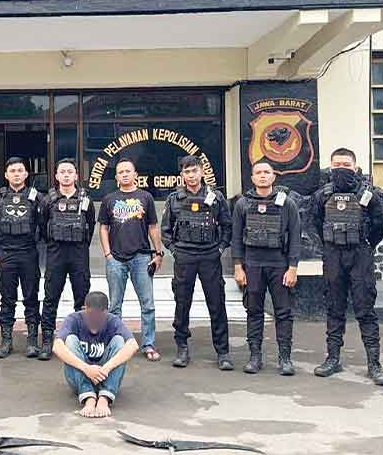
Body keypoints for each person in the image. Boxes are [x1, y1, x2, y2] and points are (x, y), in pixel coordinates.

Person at [310, 148, 383, 385]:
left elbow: (380, 223)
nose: (341, 168)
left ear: (355, 167)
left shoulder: (368, 195)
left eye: (346, 164)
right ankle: (333, 359)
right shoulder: (322, 195)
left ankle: (374, 364)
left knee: (365, 309)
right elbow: (314, 222)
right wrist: (327, 246)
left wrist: (367, 245)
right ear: (330, 166)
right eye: (337, 164)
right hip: (333, 255)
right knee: (334, 308)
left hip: (360, 255)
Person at [161, 155, 233, 370]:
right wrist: (175, 250)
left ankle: (223, 352)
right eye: (187, 172)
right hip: (185, 256)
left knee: (217, 303)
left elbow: (227, 225)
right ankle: (182, 348)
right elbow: (166, 230)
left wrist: (220, 248)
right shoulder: (174, 199)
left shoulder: (216, 197)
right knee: (182, 303)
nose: (191, 175)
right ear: (182, 175)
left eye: (194, 171)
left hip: (210, 256)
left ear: (202, 172)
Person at [232, 160, 301, 376]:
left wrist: (293, 267)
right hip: (252, 265)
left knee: (284, 312)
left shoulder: (287, 203)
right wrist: (238, 267)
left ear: (273, 176)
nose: (262, 175)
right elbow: (236, 238)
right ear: (252, 178)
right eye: (258, 172)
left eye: (266, 172)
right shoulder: (242, 204)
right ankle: (255, 357)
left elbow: (295, 237)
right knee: (254, 311)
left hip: (279, 265)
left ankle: (285, 358)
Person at [98, 158, 163, 362]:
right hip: (116, 259)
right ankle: (116, 344)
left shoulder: (146, 197)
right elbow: (103, 228)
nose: (124, 174)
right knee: (115, 306)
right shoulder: (109, 199)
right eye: (121, 172)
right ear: (116, 176)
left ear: (135, 174)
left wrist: (158, 253)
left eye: (128, 171)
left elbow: (153, 227)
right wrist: (108, 254)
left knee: (148, 305)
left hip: (141, 257)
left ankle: (148, 344)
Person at [38, 158, 95, 361]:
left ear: (76, 175)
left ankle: (82, 340)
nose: (66, 175)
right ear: (56, 176)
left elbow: (90, 226)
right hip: (56, 253)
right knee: (51, 297)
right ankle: (47, 341)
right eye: (62, 172)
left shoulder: (85, 199)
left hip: (79, 253)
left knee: (82, 298)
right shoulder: (48, 200)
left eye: (70, 172)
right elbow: (42, 226)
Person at [0, 157, 43, 359]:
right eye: (13, 171)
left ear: (26, 174)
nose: (16, 174)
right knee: (7, 300)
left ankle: (32, 342)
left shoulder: (36, 197)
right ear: (6, 175)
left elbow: (43, 224)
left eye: (20, 170)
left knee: (31, 298)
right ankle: (6, 342)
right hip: (6, 253)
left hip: (28, 253)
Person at [52, 291, 139, 418]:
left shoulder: (112, 320)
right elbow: (57, 346)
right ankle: (89, 397)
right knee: (70, 340)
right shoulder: (74, 319)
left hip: (105, 376)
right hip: (79, 377)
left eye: (98, 316)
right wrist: (86, 369)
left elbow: (133, 345)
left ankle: (104, 398)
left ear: (105, 312)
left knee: (120, 341)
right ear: (84, 309)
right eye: (90, 315)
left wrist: (106, 368)